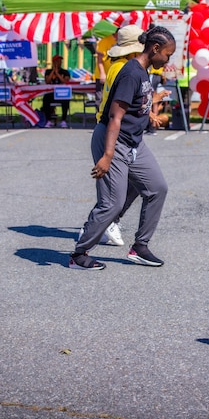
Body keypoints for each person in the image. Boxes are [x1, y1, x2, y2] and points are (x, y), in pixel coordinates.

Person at [71, 25, 175, 270]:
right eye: (167, 55)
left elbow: (133, 104)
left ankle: (140, 247)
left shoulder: (143, 71)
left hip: (133, 141)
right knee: (112, 203)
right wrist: (107, 155)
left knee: (157, 188)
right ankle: (79, 254)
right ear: (155, 48)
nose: (168, 60)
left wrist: (149, 109)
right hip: (113, 140)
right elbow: (115, 117)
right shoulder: (131, 72)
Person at [41, 54, 71, 127]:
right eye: (57, 61)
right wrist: (53, 71)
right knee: (46, 99)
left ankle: (63, 120)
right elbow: (47, 81)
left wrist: (57, 73)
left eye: (60, 61)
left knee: (66, 100)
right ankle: (48, 120)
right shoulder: (48, 71)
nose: (59, 62)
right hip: (51, 93)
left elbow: (65, 81)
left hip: (61, 93)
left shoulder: (65, 72)